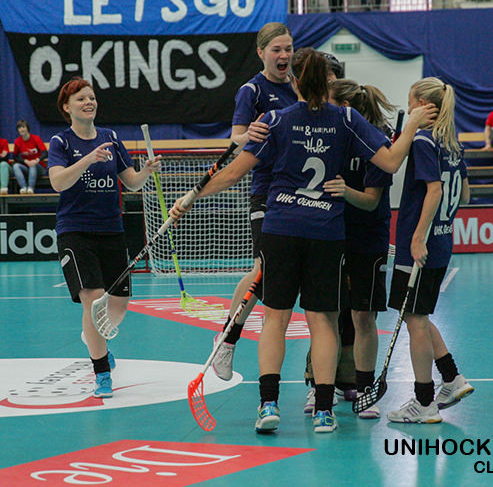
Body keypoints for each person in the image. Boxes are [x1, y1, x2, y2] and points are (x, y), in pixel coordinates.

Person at [170, 49, 437, 434]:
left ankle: (268, 405)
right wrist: (410, 125)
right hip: (325, 231)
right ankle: (325, 410)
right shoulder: (346, 118)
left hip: (281, 228)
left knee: (275, 318)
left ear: (294, 81)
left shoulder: (276, 120)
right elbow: (392, 162)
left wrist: (190, 196)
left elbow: (231, 175)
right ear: (328, 83)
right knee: (323, 321)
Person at [48, 77, 160, 399]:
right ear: (67, 107)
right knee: (94, 300)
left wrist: (146, 171)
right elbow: (58, 182)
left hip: (112, 230)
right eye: (81, 99)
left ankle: (93, 338)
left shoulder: (111, 138)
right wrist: (88, 159)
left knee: (118, 305)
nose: (89, 102)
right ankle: (102, 372)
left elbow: (132, 182)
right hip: (75, 231)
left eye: (92, 97)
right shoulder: (61, 142)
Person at [209, 22, 297, 383]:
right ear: (262, 53)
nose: (284, 55)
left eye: (288, 48)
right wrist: (251, 133)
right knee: (263, 268)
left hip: (302, 193)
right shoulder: (252, 90)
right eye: (277, 49)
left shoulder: (298, 86)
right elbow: (236, 139)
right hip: (267, 191)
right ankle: (227, 338)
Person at [386, 77, 475, 424]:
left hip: (420, 244)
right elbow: (464, 195)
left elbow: (435, 191)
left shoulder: (423, 140)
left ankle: (424, 402)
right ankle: (452, 378)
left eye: (411, 102)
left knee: (415, 322)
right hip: (443, 240)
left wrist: (418, 236)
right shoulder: (451, 142)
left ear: (423, 104)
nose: (408, 109)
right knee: (418, 316)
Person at [324, 78, 396, 419]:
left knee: (363, 317)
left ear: (345, 108)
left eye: (328, 102)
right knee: (326, 315)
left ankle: (366, 390)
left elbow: (371, 201)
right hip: (329, 236)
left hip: (367, 238)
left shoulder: (376, 143)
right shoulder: (326, 136)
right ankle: (321, 388)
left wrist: (344, 191)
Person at [13, 119, 47, 193]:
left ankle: (31, 188)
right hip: (27, 167)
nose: (21, 129)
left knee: (32, 164)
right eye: (19, 127)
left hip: (39, 167)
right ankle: (23, 187)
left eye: (23, 127)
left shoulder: (36, 138)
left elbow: (45, 153)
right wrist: (25, 161)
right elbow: (15, 157)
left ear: (27, 128)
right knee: (16, 166)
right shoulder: (17, 141)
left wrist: (36, 160)